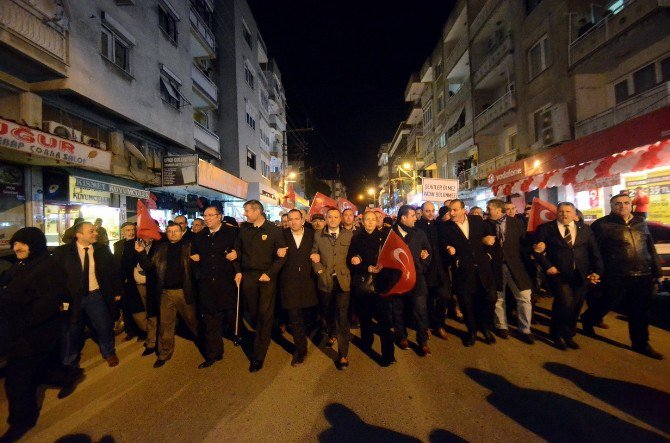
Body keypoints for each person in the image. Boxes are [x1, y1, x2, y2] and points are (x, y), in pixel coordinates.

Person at [0, 228, 65, 442]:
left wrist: (19, 324)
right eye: (15, 244)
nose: (16, 248)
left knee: (17, 380)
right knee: (39, 371)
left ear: (35, 244)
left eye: (22, 244)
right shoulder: (21, 265)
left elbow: (46, 305)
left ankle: (21, 420)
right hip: (18, 333)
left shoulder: (48, 267)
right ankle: (64, 376)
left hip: (31, 336)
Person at [582, 194, 663, 359]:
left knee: (639, 311)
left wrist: (657, 270)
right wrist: (594, 270)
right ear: (611, 206)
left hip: (642, 273)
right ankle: (589, 319)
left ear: (631, 205)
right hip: (615, 273)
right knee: (607, 302)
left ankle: (641, 344)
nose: (622, 206)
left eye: (626, 203)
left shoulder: (641, 223)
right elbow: (592, 251)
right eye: (618, 203)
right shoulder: (602, 225)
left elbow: (650, 247)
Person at [53, 221, 121, 399]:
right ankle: (69, 365)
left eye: (95, 230)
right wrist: (59, 299)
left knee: (104, 326)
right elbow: (56, 278)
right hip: (72, 299)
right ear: (79, 234)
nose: (95, 233)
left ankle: (109, 352)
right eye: (91, 231)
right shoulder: (63, 252)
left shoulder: (102, 250)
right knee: (70, 331)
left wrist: (116, 292)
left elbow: (113, 272)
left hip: (95, 296)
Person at [533, 202, 602, 351]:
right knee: (565, 302)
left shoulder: (585, 230)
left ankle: (569, 333)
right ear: (556, 213)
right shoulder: (546, 229)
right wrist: (548, 266)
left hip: (581, 274)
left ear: (574, 213)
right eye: (561, 211)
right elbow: (536, 251)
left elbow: (594, 252)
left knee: (576, 306)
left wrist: (597, 270)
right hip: (558, 274)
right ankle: (556, 333)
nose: (564, 214)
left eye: (568, 211)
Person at [136, 224, 199, 368]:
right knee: (165, 324)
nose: (173, 234)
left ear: (182, 232)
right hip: (165, 292)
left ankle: (204, 343)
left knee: (192, 321)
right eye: (170, 231)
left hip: (184, 292)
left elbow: (199, 269)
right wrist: (141, 253)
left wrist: (198, 261)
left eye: (176, 231)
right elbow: (149, 267)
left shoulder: (190, 246)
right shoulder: (161, 248)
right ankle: (165, 352)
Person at [439, 199, 497, 347]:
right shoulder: (446, 228)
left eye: (455, 210)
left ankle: (484, 327)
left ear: (464, 209)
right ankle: (471, 331)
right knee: (467, 304)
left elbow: (490, 238)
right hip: (463, 272)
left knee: (489, 299)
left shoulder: (477, 220)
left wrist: (489, 255)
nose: (451, 213)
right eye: (450, 210)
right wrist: (451, 254)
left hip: (482, 270)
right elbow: (444, 249)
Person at [236, 200, 286, 373]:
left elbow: (281, 257)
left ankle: (258, 355)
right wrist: (238, 271)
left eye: (247, 210)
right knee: (253, 311)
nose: (245, 214)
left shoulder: (274, 231)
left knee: (264, 315)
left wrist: (270, 274)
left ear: (258, 211)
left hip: (266, 277)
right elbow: (238, 252)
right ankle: (267, 329)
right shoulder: (244, 229)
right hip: (248, 277)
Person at [191, 206, 241, 369]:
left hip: (228, 284)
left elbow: (244, 251)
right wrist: (196, 261)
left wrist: (237, 255)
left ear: (219, 216)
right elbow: (194, 255)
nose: (207, 218)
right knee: (211, 322)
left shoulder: (233, 233)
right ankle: (213, 354)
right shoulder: (199, 237)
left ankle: (240, 338)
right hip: (207, 285)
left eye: (210, 215)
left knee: (233, 316)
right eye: (204, 215)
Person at [347, 211, 394, 366]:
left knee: (385, 322)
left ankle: (388, 356)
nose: (370, 222)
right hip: (364, 284)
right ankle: (367, 343)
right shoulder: (356, 239)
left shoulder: (385, 237)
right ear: (362, 221)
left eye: (373, 219)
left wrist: (383, 269)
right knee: (365, 319)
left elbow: (392, 258)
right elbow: (350, 261)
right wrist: (365, 267)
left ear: (377, 221)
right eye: (367, 220)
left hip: (381, 285)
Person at [487, 199, 535, 344]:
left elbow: (524, 243)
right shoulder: (486, 225)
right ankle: (501, 326)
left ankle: (525, 329)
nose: (487, 211)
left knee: (524, 297)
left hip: (516, 267)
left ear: (498, 209)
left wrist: (536, 247)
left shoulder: (516, 223)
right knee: (499, 299)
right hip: (495, 268)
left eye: (490, 208)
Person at [311, 208, 353, 370]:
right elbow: (313, 253)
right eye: (330, 217)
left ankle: (343, 354)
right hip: (325, 280)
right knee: (328, 312)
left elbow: (355, 254)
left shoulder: (348, 235)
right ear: (326, 219)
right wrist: (318, 268)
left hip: (343, 281)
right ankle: (332, 333)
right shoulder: (318, 234)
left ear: (341, 218)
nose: (333, 219)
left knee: (342, 315)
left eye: (336, 217)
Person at [390, 205, 432, 356]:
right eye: (413, 215)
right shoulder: (391, 233)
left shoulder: (419, 233)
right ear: (403, 218)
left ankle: (423, 342)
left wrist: (422, 267)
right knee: (398, 311)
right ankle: (401, 337)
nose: (416, 218)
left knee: (420, 311)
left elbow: (428, 252)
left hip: (417, 280)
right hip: (397, 280)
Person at [279, 209, 318, 366]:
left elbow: (319, 250)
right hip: (289, 283)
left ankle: (314, 331)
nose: (293, 222)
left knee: (309, 315)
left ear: (303, 220)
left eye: (296, 218)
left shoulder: (312, 234)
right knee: (294, 318)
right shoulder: (282, 235)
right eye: (290, 219)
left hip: (309, 281)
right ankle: (301, 350)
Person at [415, 202, 450, 340]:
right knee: (427, 300)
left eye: (432, 210)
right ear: (422, 212)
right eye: (427, 210)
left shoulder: (439, 225)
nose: (430, 213)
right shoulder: (417, 227)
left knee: (443, 297)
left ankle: (439, 324)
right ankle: (427, 325)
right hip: (426, 270)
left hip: (440, 269)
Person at [113, 222, 153, 345]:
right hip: (122, 282)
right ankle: (130, 332)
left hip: (134, 281)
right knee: (126, 308)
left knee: (139, 309)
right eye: (128, 230)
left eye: (132, 229)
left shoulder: (138, 243)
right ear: (122, 231)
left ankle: (143, 332)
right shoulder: (118, 245)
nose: (131, 232)